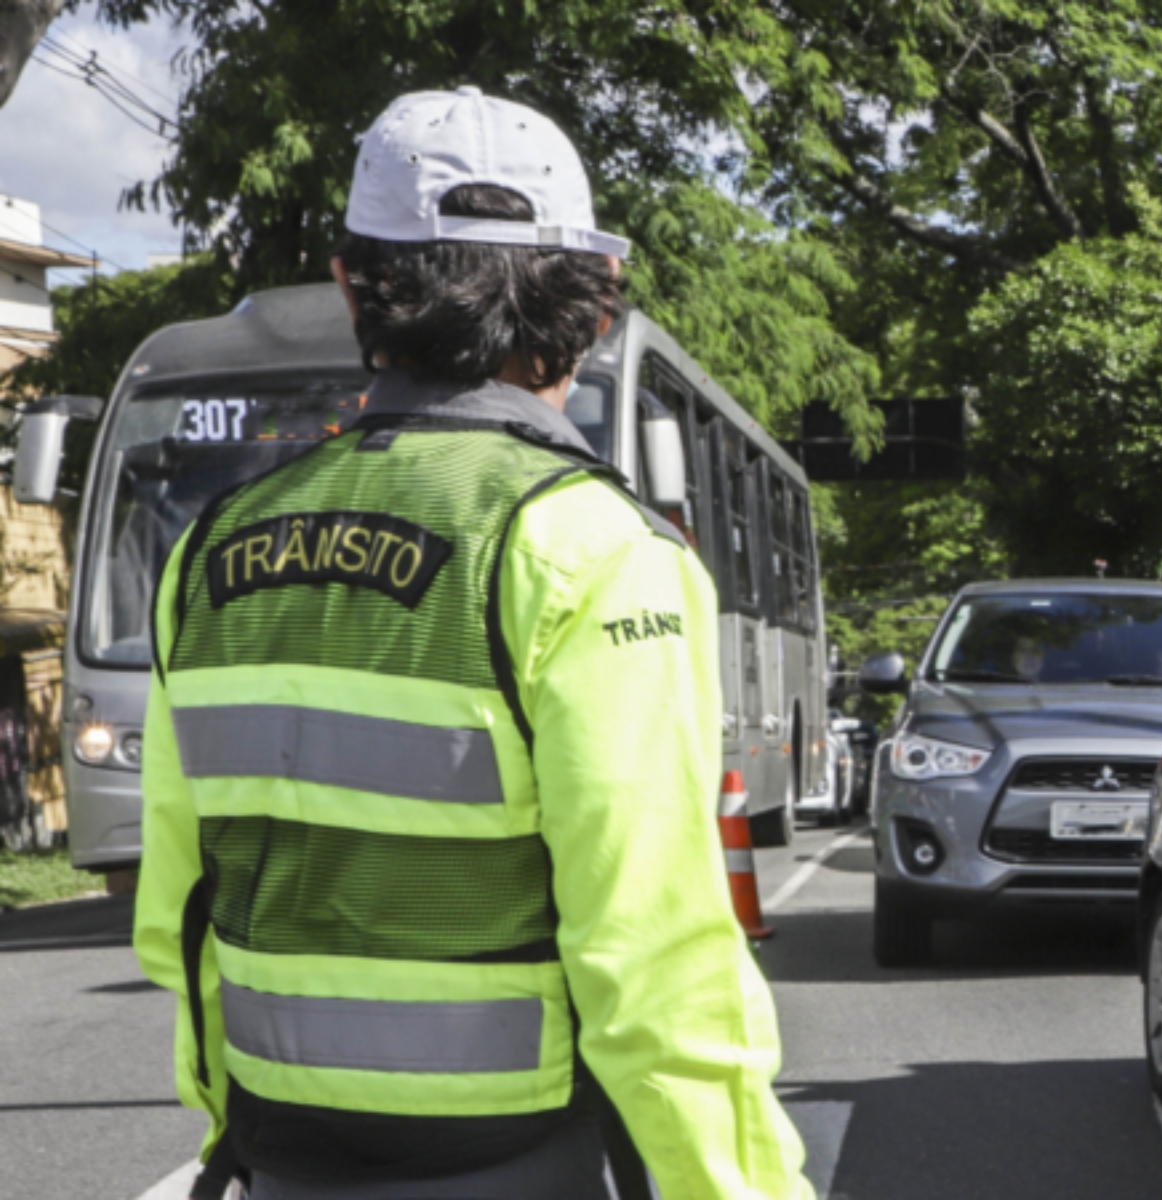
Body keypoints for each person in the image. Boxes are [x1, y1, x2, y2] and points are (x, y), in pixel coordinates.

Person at [134, 86, 810, 1200]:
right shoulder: (591, 547)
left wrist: (234, 1134)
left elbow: (181, 910)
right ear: (595, 309)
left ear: (353, 285)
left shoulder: (212, 547)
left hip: (282, 1150)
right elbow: (656, 958)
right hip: (519, 1158)